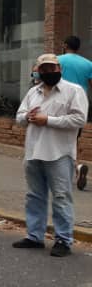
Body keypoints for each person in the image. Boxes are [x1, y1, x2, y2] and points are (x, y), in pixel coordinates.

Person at [13, 54, 88, 257]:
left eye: (52, 68)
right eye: (44, 69)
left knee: (62, 197)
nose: (48, 72)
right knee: (34, 196)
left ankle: (63, 240)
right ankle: (34, 236)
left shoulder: (74, 91)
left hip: (59, 153)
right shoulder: (33, 92)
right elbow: (19, 117)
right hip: (33, 152)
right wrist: (27, 117)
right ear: (39, 71)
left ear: (60, 69)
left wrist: (48, 120)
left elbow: (79, 119)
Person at [58, 35, 92, 190]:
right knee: (72, 139)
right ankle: (74, 169)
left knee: (55, 139)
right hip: (79, 106)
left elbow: (40, 78)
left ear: (65, 45)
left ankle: (68, 170)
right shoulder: (88, 64)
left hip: (58, 104)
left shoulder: (56, 61)